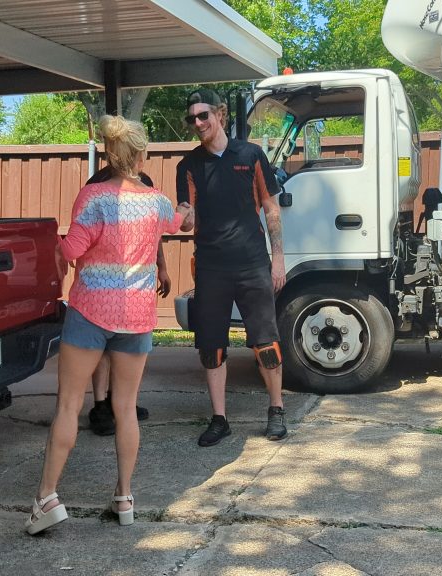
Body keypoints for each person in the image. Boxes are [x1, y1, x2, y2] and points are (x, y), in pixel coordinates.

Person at [26, 115, 193, 535]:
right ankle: (124, 496)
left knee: (68, 405)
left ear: (109, 155)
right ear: (140, 154)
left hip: (89, 313)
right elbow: (180, 224)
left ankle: (47, 498)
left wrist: (49, 241)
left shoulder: (93, 197)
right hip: (136, 318)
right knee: (125, 410)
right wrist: (186, 211)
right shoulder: (156, 201)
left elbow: (72, 249)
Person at [176, 88, 287, 447]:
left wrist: (278, 258)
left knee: (265, 341)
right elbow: (186, 214)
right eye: (192, 118)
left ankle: (276, 411)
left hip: (253, 263)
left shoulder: (251, 154)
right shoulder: (188, 165)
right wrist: (180, 217)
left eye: (203, 115)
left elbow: (270, 207)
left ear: (220, 115)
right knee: (211, 347)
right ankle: (219, 419)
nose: (198, 123)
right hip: (211, 267)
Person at [83, 167, 171, 436]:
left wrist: (162, 267)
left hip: (135, 287)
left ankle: (120, 402)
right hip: (105, 284)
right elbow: (85, 232)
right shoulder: (97, 183)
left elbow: (153, 232)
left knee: (127, 349)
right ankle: (100, 407)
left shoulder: (146, 183)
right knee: (103, 349)